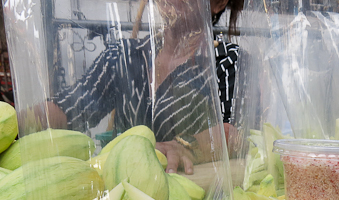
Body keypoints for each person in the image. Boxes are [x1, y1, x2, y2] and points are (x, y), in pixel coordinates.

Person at [46, 0, 243, 174]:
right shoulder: (123, 55)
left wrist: (185, 147)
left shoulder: (227, 60)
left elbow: (234, 133)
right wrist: (22, 122)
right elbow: (68, 108)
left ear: (219, 3)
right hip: (124, 194)